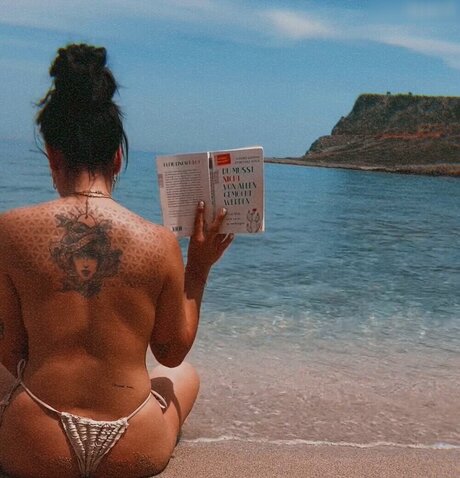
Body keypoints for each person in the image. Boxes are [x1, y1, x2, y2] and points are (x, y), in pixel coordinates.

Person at [0, 44, 233, 478]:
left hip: (35, 447)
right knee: (184, 376)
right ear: (118, 158)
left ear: (53, 155)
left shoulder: (10, 231)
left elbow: (10, 352)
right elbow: (171, 352)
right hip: (134, 446)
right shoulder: (159, 242)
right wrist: (198, 268)